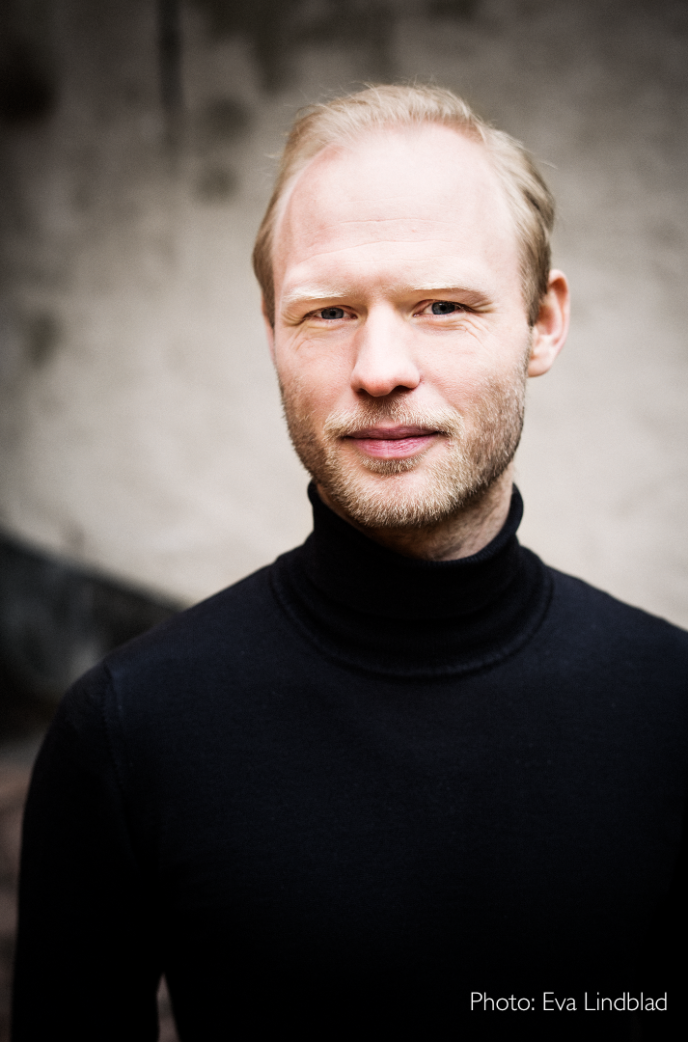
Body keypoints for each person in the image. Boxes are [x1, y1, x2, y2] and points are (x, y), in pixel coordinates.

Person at [12, 85, 688, 1041]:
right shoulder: (130, 732)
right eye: (328, 312)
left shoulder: (671, 706)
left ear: (542, 324)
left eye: (441, 305)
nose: (379, 368)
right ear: (272, 332)